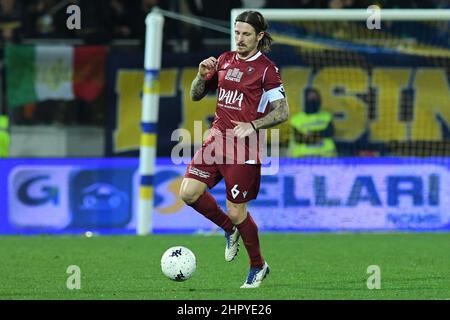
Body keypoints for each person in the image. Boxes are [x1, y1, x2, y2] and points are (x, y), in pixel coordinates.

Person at [179, 10, 289, 288]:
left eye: (246, 34)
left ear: (259, 36)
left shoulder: (267, 69)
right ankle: (229, 231)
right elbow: (195, 95)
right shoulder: (225, 60)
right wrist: (202, 76)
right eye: (237, 33)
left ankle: (258, 266)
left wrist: (253, 125)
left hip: (244, 149)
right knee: (188, 193)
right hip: (216, 142)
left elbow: (283, 111)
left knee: (237, 212)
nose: (239, 39)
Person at [288, 88, 337, 157]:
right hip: (302, 158)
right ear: (305, 100)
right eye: (310, 98)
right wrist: (320, 134)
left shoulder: (327, 116)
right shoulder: (296, 119)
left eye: (315, 98)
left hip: (326, 157)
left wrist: (309, 135)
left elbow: (329, 133)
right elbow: (299, 138)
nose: (313, 100)